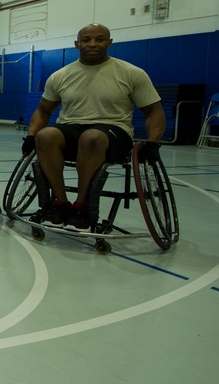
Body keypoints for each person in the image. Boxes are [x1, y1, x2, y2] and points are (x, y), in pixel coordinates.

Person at [24, 23, 164, 231]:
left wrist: (153, 142)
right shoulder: (61, 75)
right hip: (72, 128)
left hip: (113, 131)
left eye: (99, 39)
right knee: (46, 136)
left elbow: (153, 111)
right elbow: (44, 111)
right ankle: (61, 203)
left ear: (109, 42)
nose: (93, 44)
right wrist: (31, 135)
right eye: (86, 40)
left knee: (91, 137)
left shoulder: (131, 73)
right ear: (77, 44)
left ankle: (81, 205)